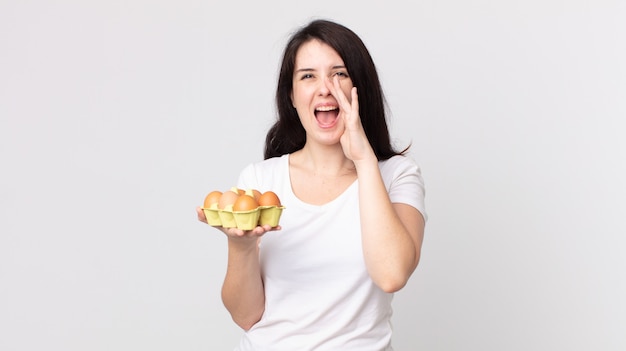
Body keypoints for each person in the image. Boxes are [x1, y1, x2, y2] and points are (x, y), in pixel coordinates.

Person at [197, 19, 427, 351]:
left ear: (360, 88)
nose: (325, 88)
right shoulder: (261, 181)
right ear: (291, 95)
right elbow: (246, 316)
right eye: (308, 76)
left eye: (340, 74)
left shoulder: (397, 176)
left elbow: (391, 275)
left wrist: (364, 161)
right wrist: (242, 246)